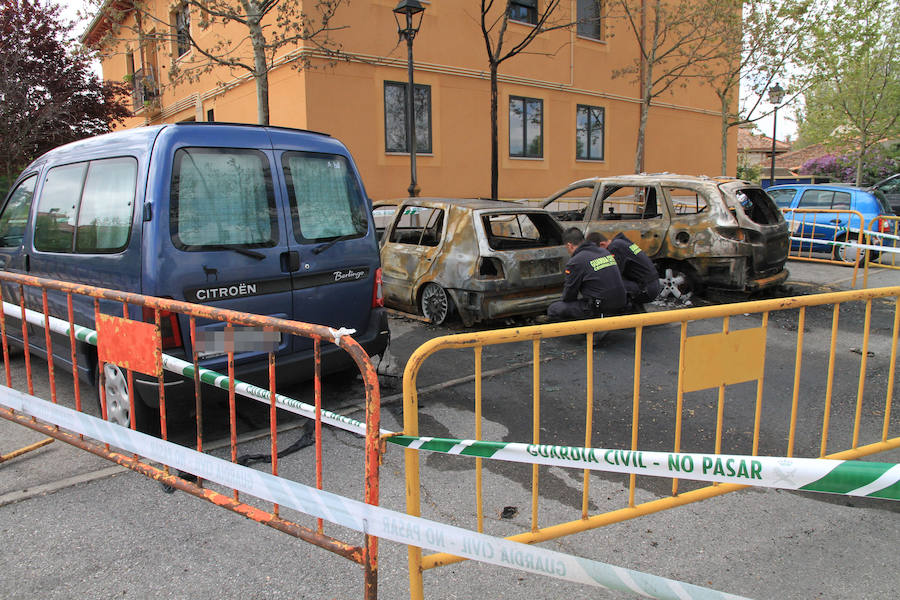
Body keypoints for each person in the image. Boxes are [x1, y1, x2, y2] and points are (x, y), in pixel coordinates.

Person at [545, 228, 627, 321]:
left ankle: (583, 332)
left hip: (599, 307)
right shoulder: (604, 252)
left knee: (554, 309)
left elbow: (569, 295)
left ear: (569, 245)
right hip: (621, 302)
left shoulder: (576, 261)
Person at [588, 231, 661, 305]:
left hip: (647, 288)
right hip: (652, 284)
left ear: (602, 245)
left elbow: (613, 275)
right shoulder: (620, 242)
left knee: (608, 286)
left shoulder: (615, 248)